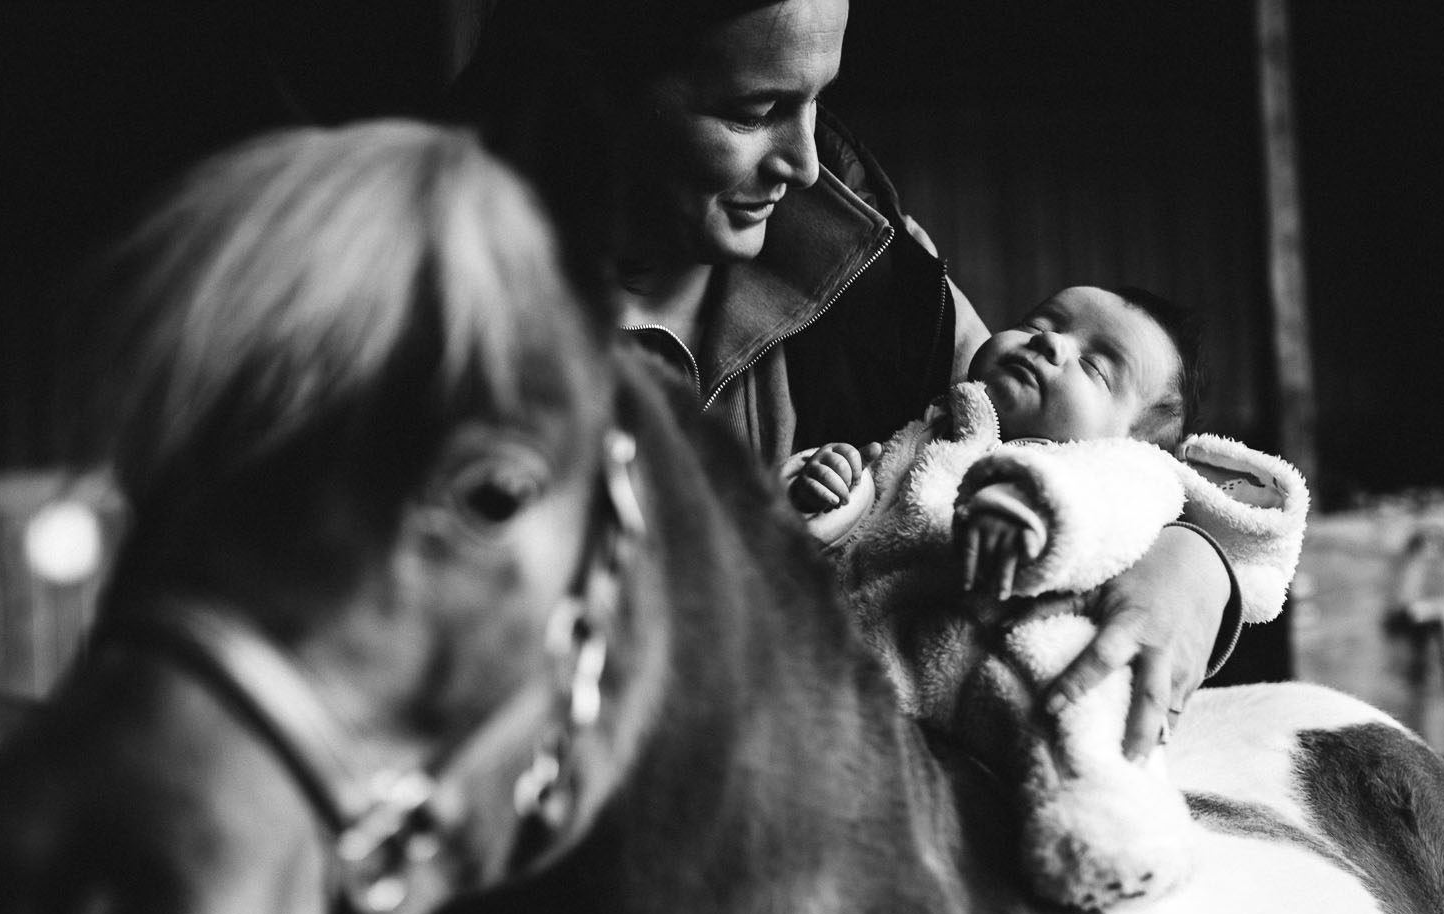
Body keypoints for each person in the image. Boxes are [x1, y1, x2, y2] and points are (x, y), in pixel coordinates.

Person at [445, 0, 1243, 762]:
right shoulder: (442, 327)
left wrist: (1193, 566)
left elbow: (1104, 448)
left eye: (817, 100)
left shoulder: (863, 263)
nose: (804, 163)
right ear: (591, 94)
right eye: (755, 111)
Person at [783, 284, 1308, 907]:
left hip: (1017, 638)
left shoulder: (1126, 468)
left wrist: (1034, 506)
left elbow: (1109, 507)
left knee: (1072, 705)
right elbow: (874, 518)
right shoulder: (933, 432)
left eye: (1095, 367)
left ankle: (1111, 826)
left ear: (1133, 439)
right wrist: (836, 496)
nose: (1051, 343)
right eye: (1039, 323)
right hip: (882, 647)